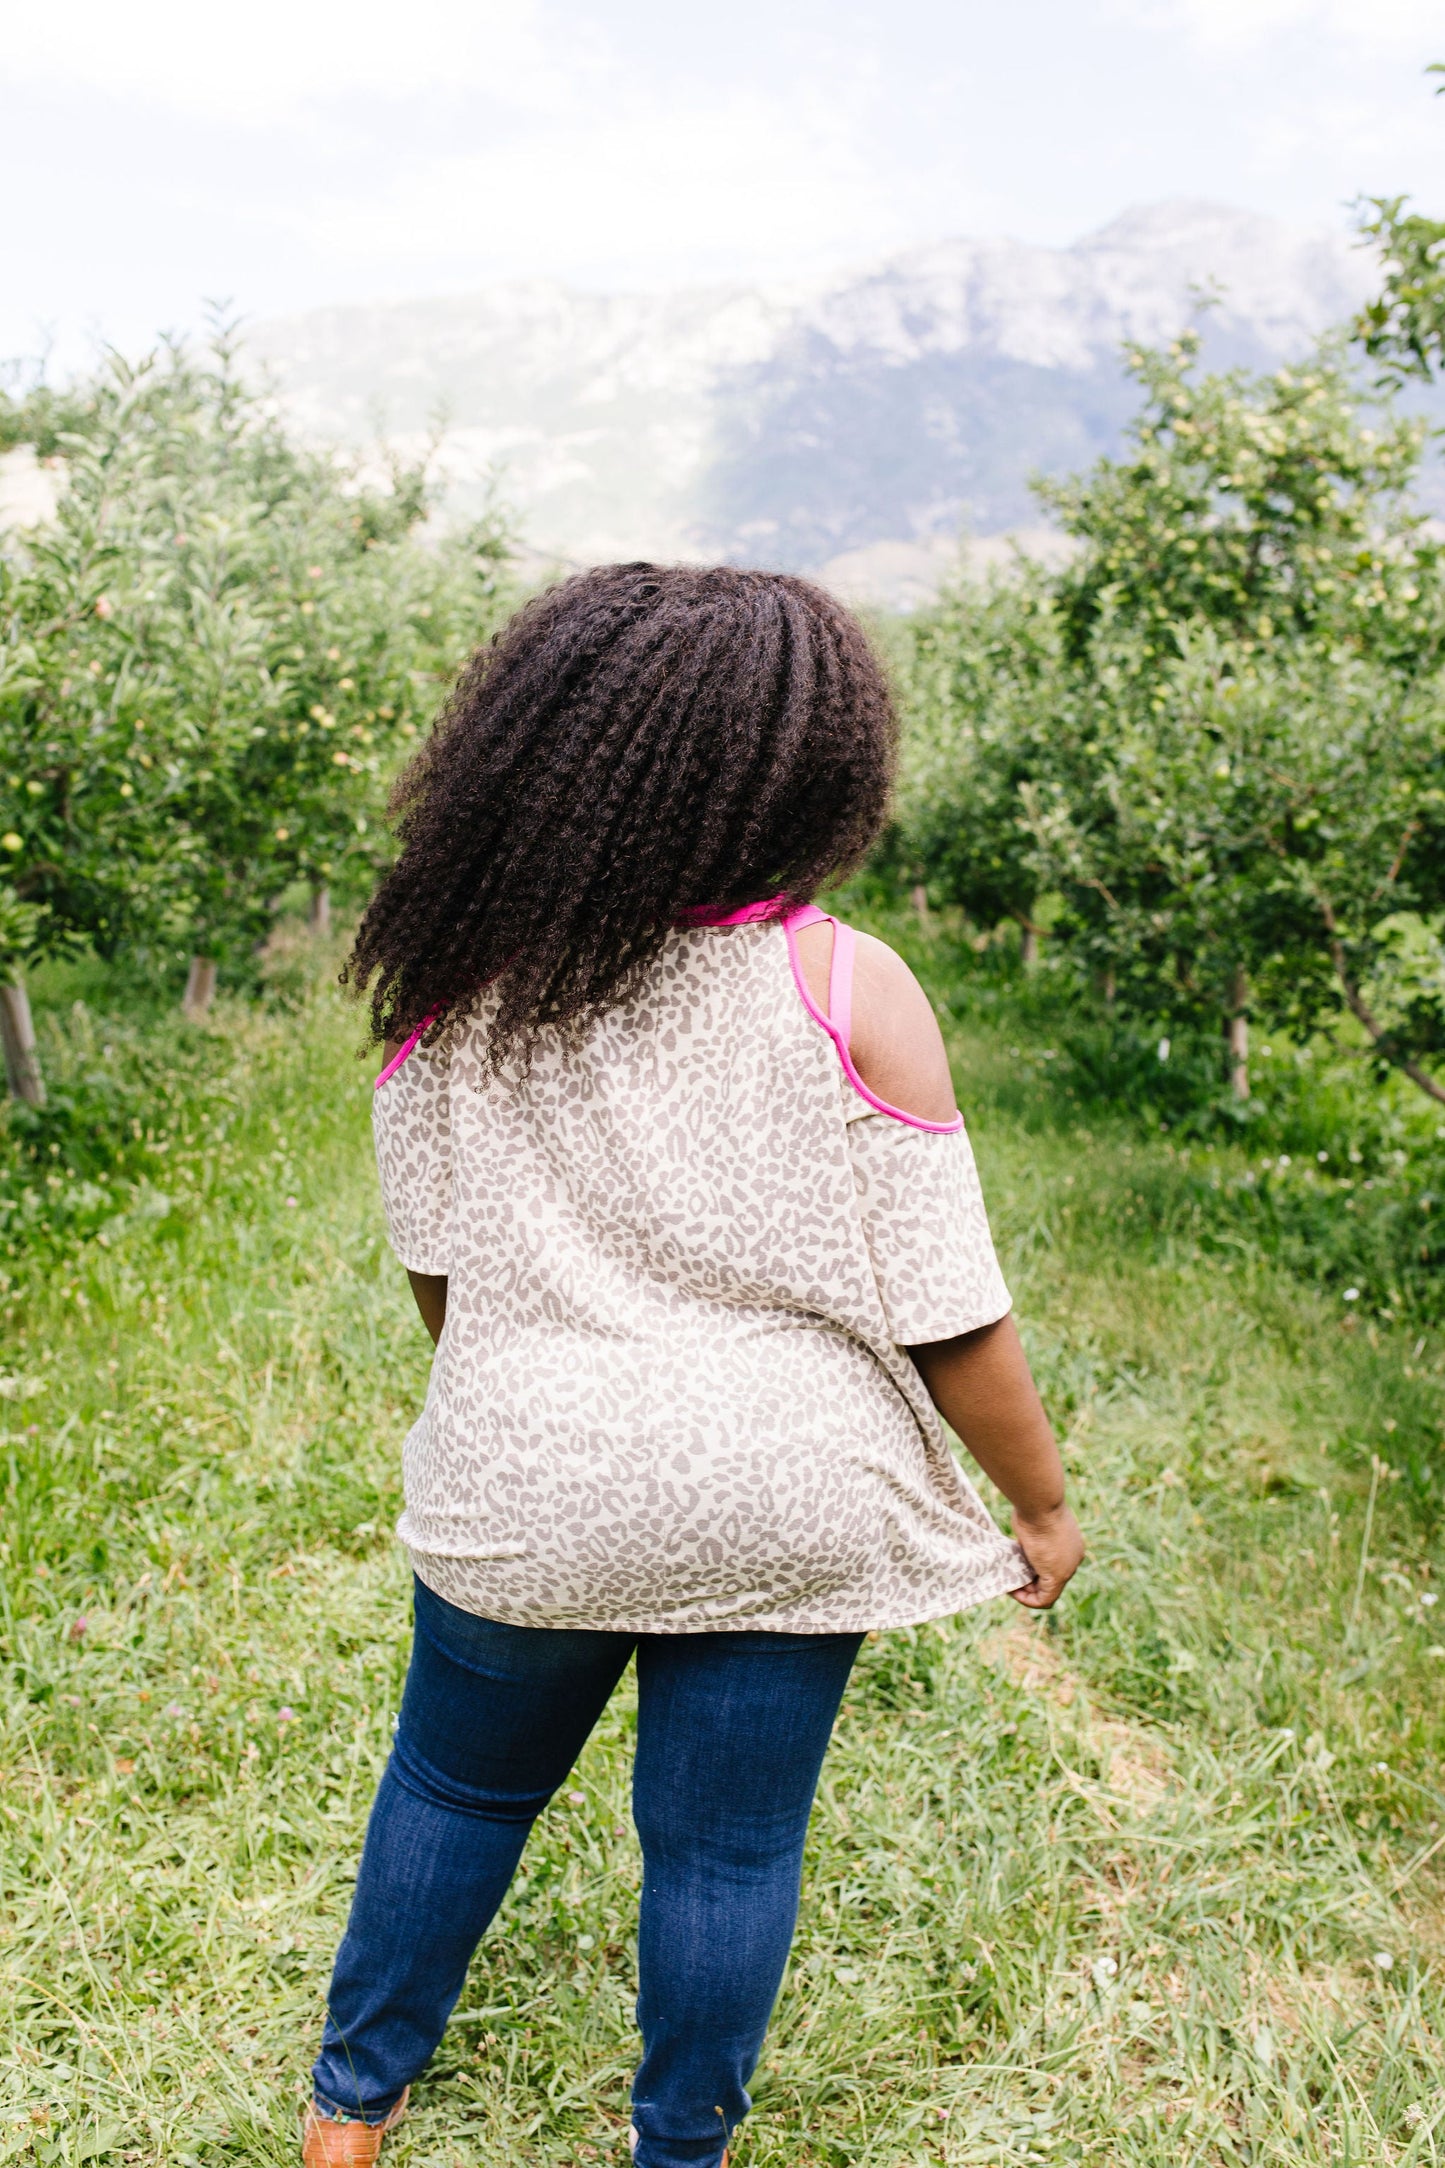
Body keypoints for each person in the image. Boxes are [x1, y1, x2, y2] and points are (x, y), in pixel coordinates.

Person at [302, 564, 1084, 2167]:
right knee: (725, 1856)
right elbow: (951, 1313)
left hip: (526, 1482)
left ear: (535, 751)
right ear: (812, 772)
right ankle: (679, 2152)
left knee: (451, 1796)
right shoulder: (844, 985)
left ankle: (347, 2117)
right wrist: (1041, 1503)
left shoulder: (458, 982)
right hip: (785, 1493)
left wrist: (536, 1391)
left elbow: (439, 1275)